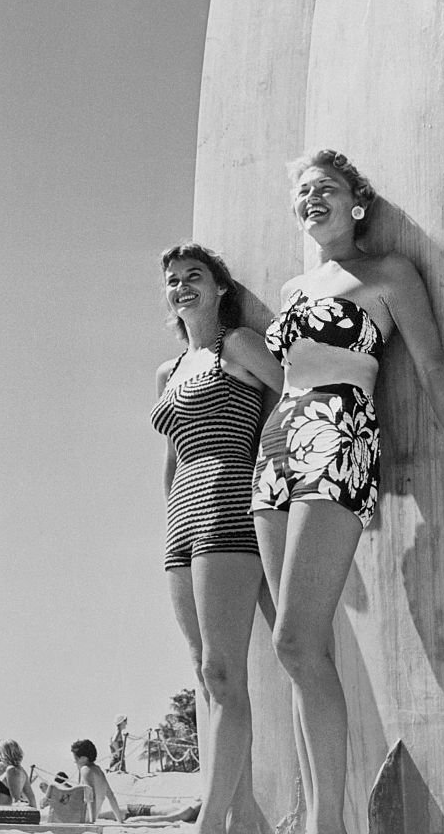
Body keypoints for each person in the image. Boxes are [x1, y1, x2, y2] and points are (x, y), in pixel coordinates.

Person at [251, 149, 444, 834]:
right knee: (297, 651)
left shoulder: (390, 274)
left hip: (339, 435)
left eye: (326, 189)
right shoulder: (290, 289)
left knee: (296, 639)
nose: (312, 199)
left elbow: (431, 370)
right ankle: (318, 817)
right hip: (277, 449)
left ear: (356, 202)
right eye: (303, 191)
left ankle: (324, 826)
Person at [150, 242, 283, 834]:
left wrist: (270, 468)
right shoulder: (168, 370)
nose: (182, 286)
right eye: (173, 280)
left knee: (225, 673)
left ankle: (211, 820)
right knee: (205, 672)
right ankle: (243, 811)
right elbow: (171, 458)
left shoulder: (238, 345)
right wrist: (166, 515)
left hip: (231, 507)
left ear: (220, 287)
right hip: (181, 522)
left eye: (194, 276)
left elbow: (291, 396)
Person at [69, 739, 123, 823]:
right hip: (90, 815)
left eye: (75, 759)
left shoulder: (85, 770)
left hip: (82, 817)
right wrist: (120, 820)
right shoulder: (98, 770)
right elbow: (111, 796)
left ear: (83, 758)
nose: (75, 762)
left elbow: (91, 795)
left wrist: (92, 821)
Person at [0, 739, 36, 807]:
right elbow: (32, 801)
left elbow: (16, 801)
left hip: (4, 814)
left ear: (5, 754)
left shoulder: (11, 770)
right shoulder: (21, 770)